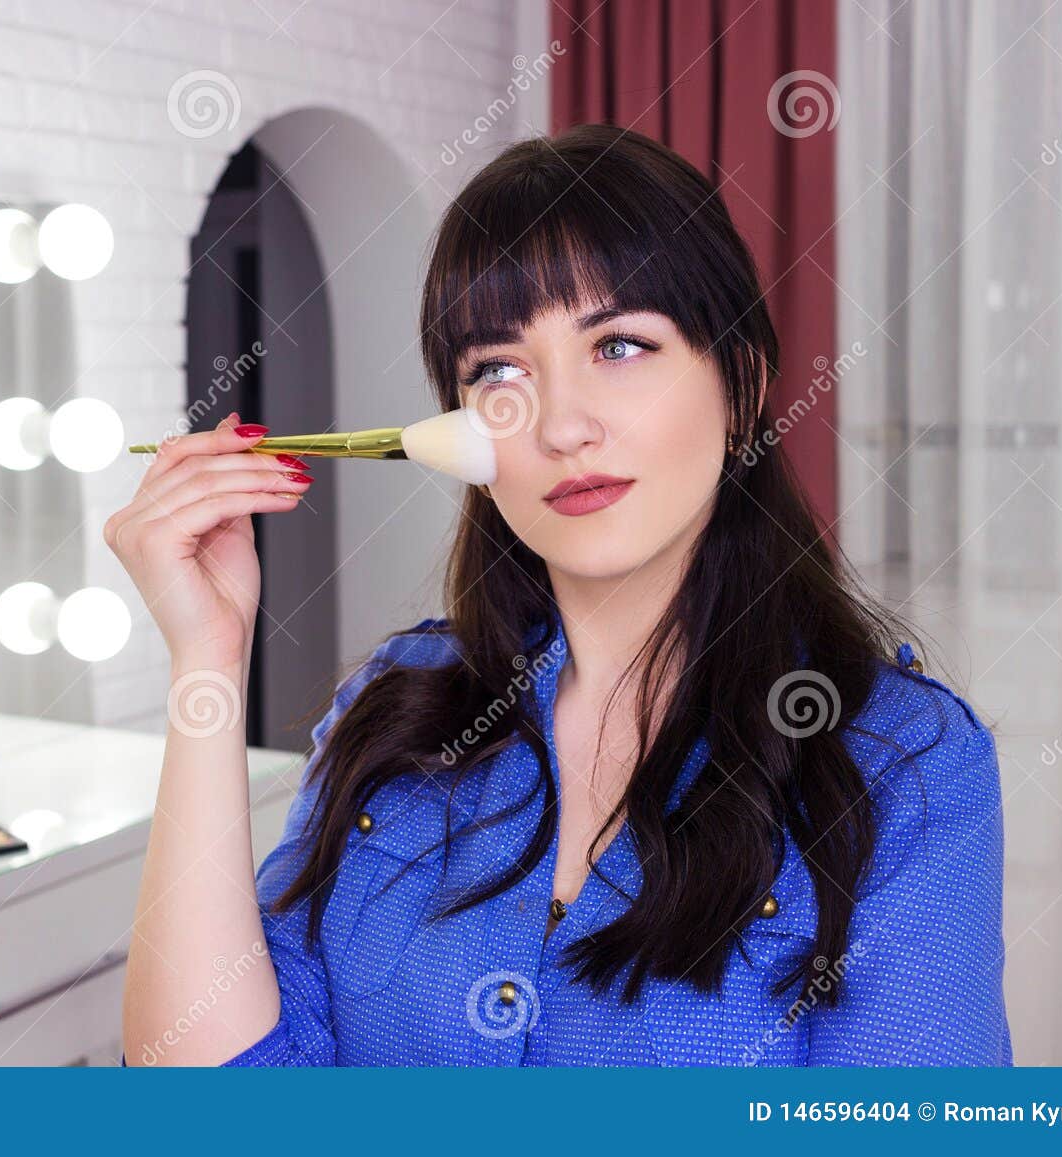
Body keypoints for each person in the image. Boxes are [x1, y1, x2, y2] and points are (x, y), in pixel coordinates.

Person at [109, 124, 1012, 1066]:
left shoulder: (900, 765)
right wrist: (206, 661)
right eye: (498, 371)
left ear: (740, 386)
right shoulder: (394, 709)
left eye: (619, 344)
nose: (561, 425)